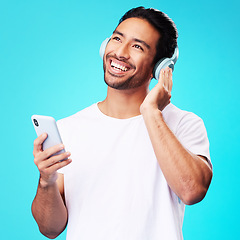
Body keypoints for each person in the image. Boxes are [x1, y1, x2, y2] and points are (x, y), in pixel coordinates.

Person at [32, 6, 213, 240]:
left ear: (160, 67)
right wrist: (46, 181)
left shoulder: (184, 124)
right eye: (117, 39)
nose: (120, 52)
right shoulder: (69, 129)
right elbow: (50, 228)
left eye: (137, 46)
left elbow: (192, 191)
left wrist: (150, 112)